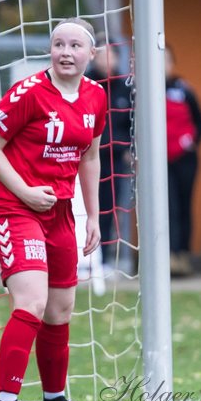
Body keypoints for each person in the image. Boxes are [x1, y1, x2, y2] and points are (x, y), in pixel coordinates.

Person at [0, 18, 109, 401]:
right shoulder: (28, 93)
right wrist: (25, 191)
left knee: (60, 308)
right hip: (15, 207)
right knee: (32, 301)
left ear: (91, 54)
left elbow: (90, 155)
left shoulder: (96, 96)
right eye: (58, 44)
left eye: (74, 46)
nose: (65, 52)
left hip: (61, 212)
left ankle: (55, 400)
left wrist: (92, 214)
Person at [86, 34, 134, 275]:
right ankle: (82, 260)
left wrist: (129, 148)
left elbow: (135, 124)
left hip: (115, 161)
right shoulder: (83, 85)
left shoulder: (126, 87)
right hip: (84, 160)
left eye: (110, 54)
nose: (106, 59)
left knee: (108, 210)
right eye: (101, 53)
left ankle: (102, 262)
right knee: (83, 208)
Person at [163, 45, 201, 277]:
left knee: (184, 206)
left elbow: (200, 123)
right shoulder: (142, 91)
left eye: (166, 60)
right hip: (160, 162)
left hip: (185, 160)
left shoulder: (184, 90)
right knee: (166, 207)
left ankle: (183, 256)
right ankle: (166, 256)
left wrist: (190, 142)